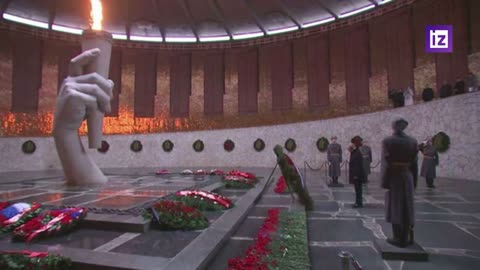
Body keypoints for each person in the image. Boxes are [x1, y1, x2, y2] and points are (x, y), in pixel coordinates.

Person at [381, 116, 418, 248]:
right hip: (407, 176)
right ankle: (406, 237)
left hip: (394, 176)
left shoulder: (388, 141)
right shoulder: (413, 142)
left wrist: (384, 182)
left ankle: (397, 237)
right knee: (407, 206)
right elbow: (415, 164)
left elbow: (386, 163)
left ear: (393, 126)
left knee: (395, 207)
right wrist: (414, 182)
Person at [349, 136, 365, 208]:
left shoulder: (357, 153)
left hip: (357, 175)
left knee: (358, 189)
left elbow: (358, 165)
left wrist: (356, 175)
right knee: (357, 189)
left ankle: (358, 203)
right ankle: (358, 202)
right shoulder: (355, 152)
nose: (351, 145)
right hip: (356, 174)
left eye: (352, 143)